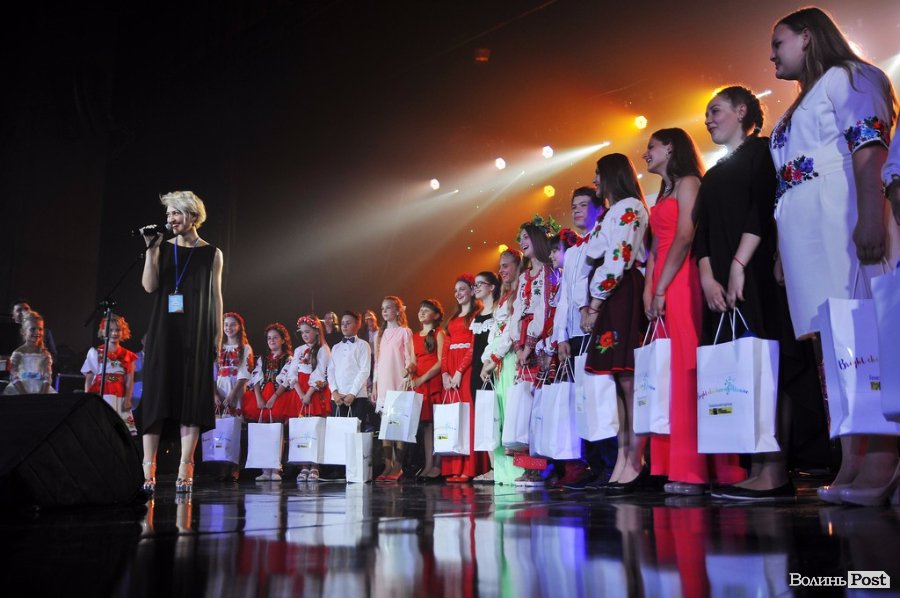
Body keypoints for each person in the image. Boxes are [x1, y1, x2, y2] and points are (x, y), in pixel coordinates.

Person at [769, 7, 899, 506]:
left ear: (807, 36)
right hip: (806, 237)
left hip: (842, 221)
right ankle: (852, 454)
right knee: (832, 344)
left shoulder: (851, 77)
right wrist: (782, 249)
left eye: (778, 43)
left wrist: (870, 214)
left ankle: (883, 453)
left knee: (863, 331)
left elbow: (870, 150)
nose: (772, 56)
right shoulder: (800, 102)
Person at [642, 127, 747, 496]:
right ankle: (675, 464)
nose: (646, 154)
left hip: (682, 279)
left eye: (652, 147)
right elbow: (655, 246)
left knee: (687, 368)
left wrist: (661, 286)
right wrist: (649, 288)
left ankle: (696, 468)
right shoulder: (663, 191)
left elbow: (685, 236)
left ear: (671, 147)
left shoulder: (689, 182)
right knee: (667, 371)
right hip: (662, 281)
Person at [139, 190, 224, 493]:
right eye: (168, 214)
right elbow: (149, 287)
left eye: (175, 213)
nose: (170, 219)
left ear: (192, 215)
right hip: (164, 331)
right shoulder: (162, 248)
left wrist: (217, 335)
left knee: (191, 396)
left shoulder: (212, 253)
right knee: (157, 395)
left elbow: (216, 297)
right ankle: (147, 467)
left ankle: (185, 466)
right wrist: (151, 250)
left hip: (196, 332)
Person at [581, 153, 650, 495]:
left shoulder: (630, 207)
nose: (595, 181)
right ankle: (623, 456)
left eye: (598, 174)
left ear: (611, 175)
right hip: (611, 295)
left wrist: (595, 301)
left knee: (628, 379)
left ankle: (636, 459)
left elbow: (618, 258)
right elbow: (594, 251)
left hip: (620, 292)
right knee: (616, 381)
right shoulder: (612, 212)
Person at [510, 218, 560, 486]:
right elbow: (517, 311)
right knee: (524, 407)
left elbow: (545, 310)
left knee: (541, 406)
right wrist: (518, 345)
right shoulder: (524, 277)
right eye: (520, 237)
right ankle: (529, 466)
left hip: (542, 343)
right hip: (523, 344)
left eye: (526, 236)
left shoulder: (549, 273)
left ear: (539, 239)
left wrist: (530, 344)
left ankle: (545, 466)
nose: (522, 241)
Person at [480, 249, 526, 485]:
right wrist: (487, 359)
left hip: (510, 359)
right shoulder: (503, 297)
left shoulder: (521, 293)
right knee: (500, 416)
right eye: (500, 267)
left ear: (518, 265)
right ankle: (504, 472)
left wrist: (495, 358)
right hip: (499, 362)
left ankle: (520, 470)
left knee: (514, 414)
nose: (501, 271)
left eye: (506, 266)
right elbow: (495, 332)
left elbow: (511, 332)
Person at [441, 274, 489, 483]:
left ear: (471, 290)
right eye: (455, 290)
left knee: (468, 416)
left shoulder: (477, 315)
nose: (458, 293)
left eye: (461, 289)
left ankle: (470, 468)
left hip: (467, 370)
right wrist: (445, 372)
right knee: (453, 418)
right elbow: (445, 348)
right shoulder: (452, 319)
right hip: (451, 370)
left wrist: (460, 371)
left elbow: (473, 346)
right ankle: (454, 466)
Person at [243, 322, 296, 481]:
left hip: (280, 396)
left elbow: (286, 380)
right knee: (263, 433)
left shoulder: (288, 359)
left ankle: (276, 468)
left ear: (283, 340)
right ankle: (264, 469)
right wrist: (258, 398)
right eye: (269, 338)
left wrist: (274, 398)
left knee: (277, 433)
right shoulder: (262, 359)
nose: (272, 340)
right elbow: (256, 378)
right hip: (262, 396)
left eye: (275, 337)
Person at [373, 296, 416, 482]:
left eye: (388, 308)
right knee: (385, 426)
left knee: (398, 425)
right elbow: (377, 363)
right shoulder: (379, 334)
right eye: (382, 308)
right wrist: (374, 386)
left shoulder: (404, 332)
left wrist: (408, 372)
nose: (384, 311)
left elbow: (410, 358)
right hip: (383, 383)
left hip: (398, 381)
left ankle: (398, 466)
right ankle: (387, 464)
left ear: (398, 311)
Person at [287, 315, 332, 482]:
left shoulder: (323, 349)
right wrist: (300, 393)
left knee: (315, 428)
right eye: (302, 332)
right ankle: (304, 465)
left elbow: (321, 373)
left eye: (308, 331)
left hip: (315, 392)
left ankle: (315, 465)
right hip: (300, 392)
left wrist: (309, 393)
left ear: (317, 331)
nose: (305, 335)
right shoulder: (299, 350)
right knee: (301, 429)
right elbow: (292, 373)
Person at [81, 313, 138, 435]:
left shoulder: (128, 355)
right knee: (99, 427)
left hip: (119, 395)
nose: (114, 333)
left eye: (118, 330)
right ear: (103, 331)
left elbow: (129, 379)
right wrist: (87, 398)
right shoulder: (95, 352)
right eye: (110, 330)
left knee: (119, 430)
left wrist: (128, 399)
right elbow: (89, 377)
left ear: (123, 331)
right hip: (100, 393)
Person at [213, 312, 254, 481]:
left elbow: (244, 373)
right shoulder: (218, 347)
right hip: (220, 387)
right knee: (220, 428)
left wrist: (232, 394)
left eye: (232, 324)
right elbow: (211, 372)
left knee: (234, 428)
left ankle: (234, 466)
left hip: (236, 389)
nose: (228, 328)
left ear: (239, 327)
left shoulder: (245, 348)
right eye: (226, 325)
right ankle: (222, 464)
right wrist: (215, 394)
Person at [410, 299, 446, 481]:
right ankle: (428, 464)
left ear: (436, 315)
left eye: (426, 310)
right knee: (426, 427)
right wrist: (409, 370)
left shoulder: (439, 333)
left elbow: (441, 361)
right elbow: (413, 361)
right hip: (420, 385)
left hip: (434, 382)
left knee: (438, 424)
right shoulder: (414, 336)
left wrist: (423, 378)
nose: (422, 312)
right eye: (420, 310)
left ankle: (438, 465)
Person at [470, 271, 500, 482]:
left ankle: (502, 466)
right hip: (477, 371)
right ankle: (492, 467)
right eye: (475, 284)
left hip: (492, 368)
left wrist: (491, 363)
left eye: (481, 283)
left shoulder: (499, 311)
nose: (477, 287)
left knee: (497, 416)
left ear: (492, 287)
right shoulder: (477, 316)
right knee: (485, 417)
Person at [326, 311, 373, 426]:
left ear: (357, 325)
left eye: (348, 323)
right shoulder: (336, 347)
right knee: (337, 431)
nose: (345, 326)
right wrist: (334, 392)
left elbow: (364, 371)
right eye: (342, 323)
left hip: (357, 396)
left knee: (355, 432)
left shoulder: (363, 345)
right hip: (338, 398)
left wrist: (352, 393)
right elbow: (330, 371)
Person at [4, 311, 54, 395]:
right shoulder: (18, 353)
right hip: (20, 389)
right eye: (33, 329)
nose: (37, 332)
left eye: (40, 329)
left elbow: (47, 377)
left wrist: (42, 395)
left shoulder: (45, 354)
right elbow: (14, 375)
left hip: (41, 388)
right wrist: (24, 395)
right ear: (23, 332)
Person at [9, 300, 58, 368]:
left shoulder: (46, 332)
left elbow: (54, 357)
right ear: (13, 315)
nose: (23, 311)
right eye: (19, 310)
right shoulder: (7, 333)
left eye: (26, 309)